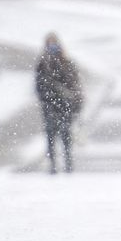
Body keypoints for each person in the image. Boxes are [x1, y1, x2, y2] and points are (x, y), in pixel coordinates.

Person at [34, 32, 83, 174]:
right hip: (50, 106)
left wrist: (73, 100)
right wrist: (47, 99)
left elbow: (74, 83)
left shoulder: (66, 63)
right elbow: (39, 86)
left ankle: (68, 162)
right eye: (50, 43)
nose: (53, 46)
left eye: (54, 43)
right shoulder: (43, 64)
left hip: (64, 105)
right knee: (51, 136)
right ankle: (53, 165)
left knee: (65, 135)